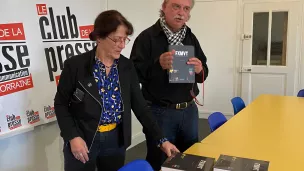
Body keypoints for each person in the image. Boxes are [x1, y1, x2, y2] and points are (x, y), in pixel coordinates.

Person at [54, 10, 179, 171]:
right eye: (117, 39)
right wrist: (72, 136)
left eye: (125, 39)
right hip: (83, 138)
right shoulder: (75, 66)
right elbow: (61, 104)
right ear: (99, 37)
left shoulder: (126, 67)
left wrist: (162, 139)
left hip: (115, 140)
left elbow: (141, 107)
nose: (122, 45)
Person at [130, 0, 209, 170]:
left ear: (189, 14)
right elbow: (133, 75)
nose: (181, 12)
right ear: (164, 7)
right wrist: (157, 64)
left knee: (190, 159)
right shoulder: (146, 38)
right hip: (160, 112)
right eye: (176, 6)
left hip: (189, 110)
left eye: (186, 8)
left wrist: (199, 69)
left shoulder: (190, 36)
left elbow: (204, 74)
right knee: (160, 160)